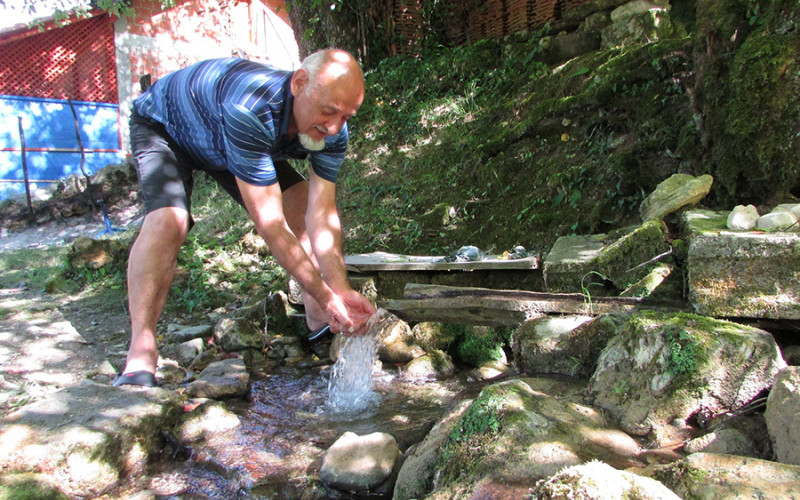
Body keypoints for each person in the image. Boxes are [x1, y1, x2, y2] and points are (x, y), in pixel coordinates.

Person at [113, 49, 376, 387]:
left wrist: (339, 290)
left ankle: (319, 321)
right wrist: (328, 295)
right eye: (328, 112)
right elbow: (270, 223)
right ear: (299, 83)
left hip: (226, 138)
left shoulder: (334, 130)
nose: (335, 126)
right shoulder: (250, 108)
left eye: (347, 117)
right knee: (169, 220)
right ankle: (141, 350)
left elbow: (321, 213)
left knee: (298, 204)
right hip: (167, 126)